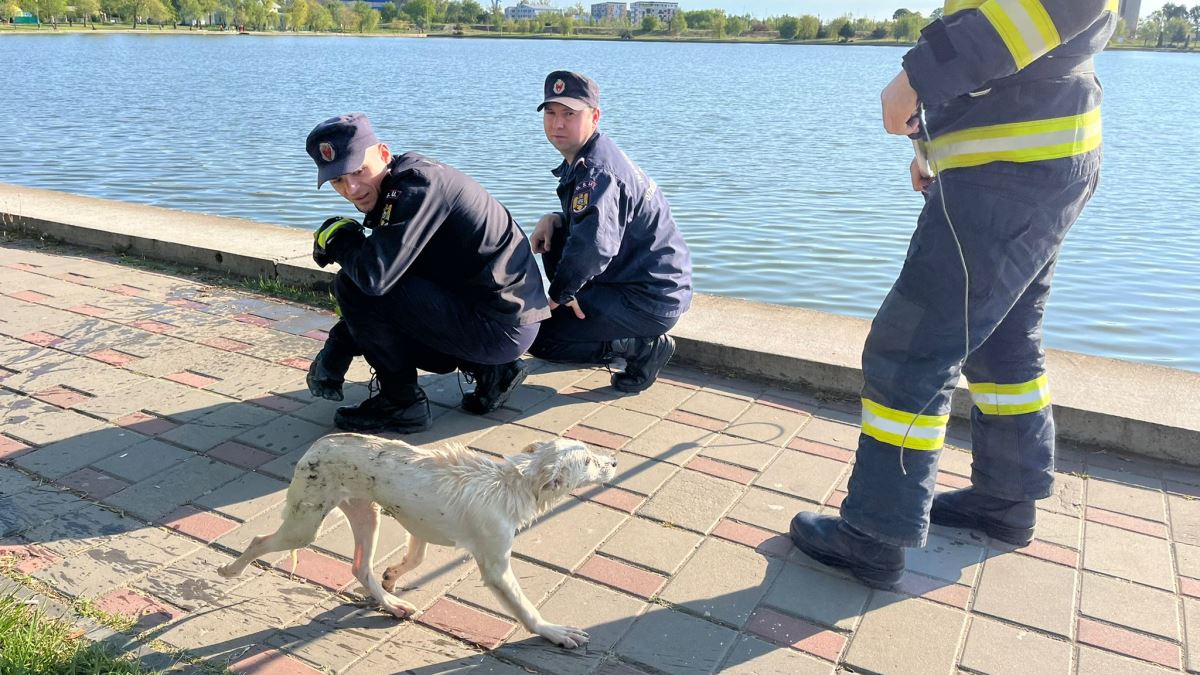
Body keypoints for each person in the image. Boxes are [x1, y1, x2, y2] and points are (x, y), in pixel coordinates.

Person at [788, 1, 1116, 589]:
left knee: (910, 349)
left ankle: (873, 533)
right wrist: (933, 148)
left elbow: (1043, 11)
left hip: (1006, 169)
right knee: (1003, 341)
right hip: (1033, 159)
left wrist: (917, 75)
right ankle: (1005, 500)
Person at [304, 113, 550, 433]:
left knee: (353, 286)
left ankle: (401, 404)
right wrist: (341, 343)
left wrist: (340, 241)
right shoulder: (405, 181)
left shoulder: (415, 188)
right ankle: (492, 371)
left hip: (499, 328)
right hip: (505, 318)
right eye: (338, 180)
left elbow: (374, 279)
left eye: (358, 171)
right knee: (377, 286)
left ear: (383, 153)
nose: (351, 188)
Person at [527, 71, 693, 393]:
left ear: (594, 117)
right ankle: (591, 311)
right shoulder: (590, 156)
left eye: (569, 114)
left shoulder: (597, 171)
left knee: (539, 337)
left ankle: (642, 347)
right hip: (636, 280)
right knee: (557, 237)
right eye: (551, 113)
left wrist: (557, 297)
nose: (557, 124)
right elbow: (596, 226)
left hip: (649, 297)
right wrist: (555, 218)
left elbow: (594, 247)